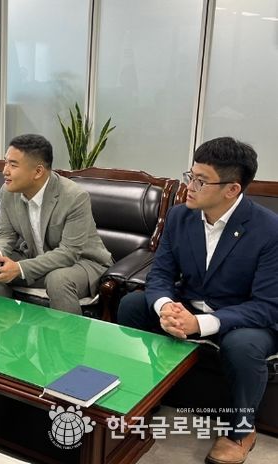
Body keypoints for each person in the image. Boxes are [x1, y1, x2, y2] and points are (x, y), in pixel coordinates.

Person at [117, 137, 278, 464]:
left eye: (200, 181)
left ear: (232, 189)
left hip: (244, 318)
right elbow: (160, 274)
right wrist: (166, 307)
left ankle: (241, 430)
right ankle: (145, 397)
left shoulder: (269, 230)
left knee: (243, 345)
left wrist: (200, 323)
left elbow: (267, 305)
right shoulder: (180, 216)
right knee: (132, 305)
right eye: (190, 175)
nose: (189, 187)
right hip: (190, 304)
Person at [0, 134, 113, 314]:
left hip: (81, 263)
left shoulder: (74, 197)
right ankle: (5, 327)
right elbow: (5, 234)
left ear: (38, 172)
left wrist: (20, 268)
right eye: (5, 163)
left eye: (13, 165)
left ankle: (70, 334)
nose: (5, 171)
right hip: (36, 258)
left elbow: (69, 253)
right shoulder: (8, 191)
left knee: (58, 280)